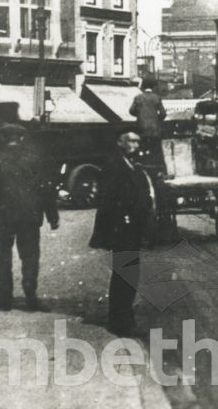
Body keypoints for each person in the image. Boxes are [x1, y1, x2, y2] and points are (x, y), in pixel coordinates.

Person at [0, 124, 60, 311]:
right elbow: (46, 189)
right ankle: (30, 296)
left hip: (2, 217)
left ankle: (4, 300)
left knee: (3, 258)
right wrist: (52, 216)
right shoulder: (34, 159)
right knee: (30, 257)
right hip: (29, 217)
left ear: (3, 138)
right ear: (22, 138)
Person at [90, 131, 156, 336]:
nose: (135, 144)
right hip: (122, 227)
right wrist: (122, 218)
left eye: (137, 141)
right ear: (120, 143)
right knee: (124, 274)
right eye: (131, 141)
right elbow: (108, 197)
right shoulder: (114, 165)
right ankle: (120, 321)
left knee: (128, 273)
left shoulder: (131, 163)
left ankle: (122, 317)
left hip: (131, 227)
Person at [129, 77, 167, 162]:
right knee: (155, 151)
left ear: (143, 86)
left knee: (141, 150)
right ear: (153, 87)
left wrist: (139, 115)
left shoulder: (138, 98)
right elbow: (163, 113)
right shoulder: (157, 98)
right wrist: (157, 120)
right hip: (155, 130)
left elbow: (131, 111)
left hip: (141, 128)